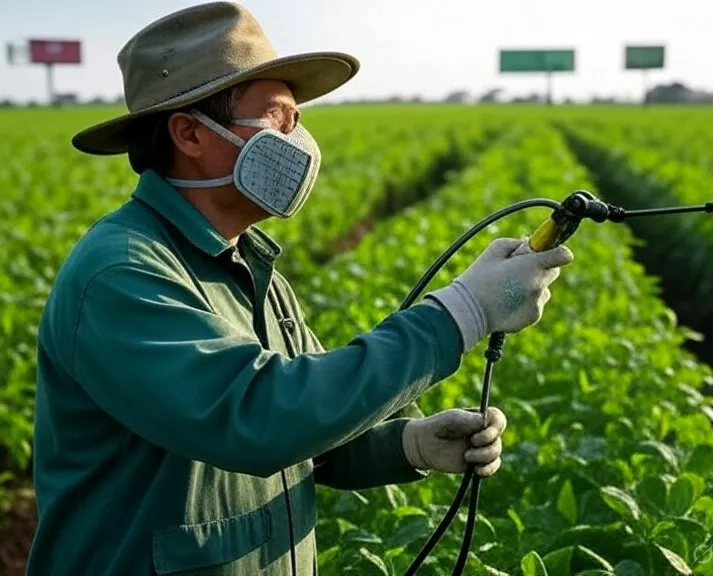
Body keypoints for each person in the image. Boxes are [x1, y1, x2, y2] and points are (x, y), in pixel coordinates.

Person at [25, 2, 574, 575]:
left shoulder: (249, 264)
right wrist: (460, 312)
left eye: (297, 120)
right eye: (277, 118)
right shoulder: (123, 274)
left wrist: (408, 444)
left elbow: (310, 428)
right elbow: (260, 418)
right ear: (189, 133)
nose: (298, 139)